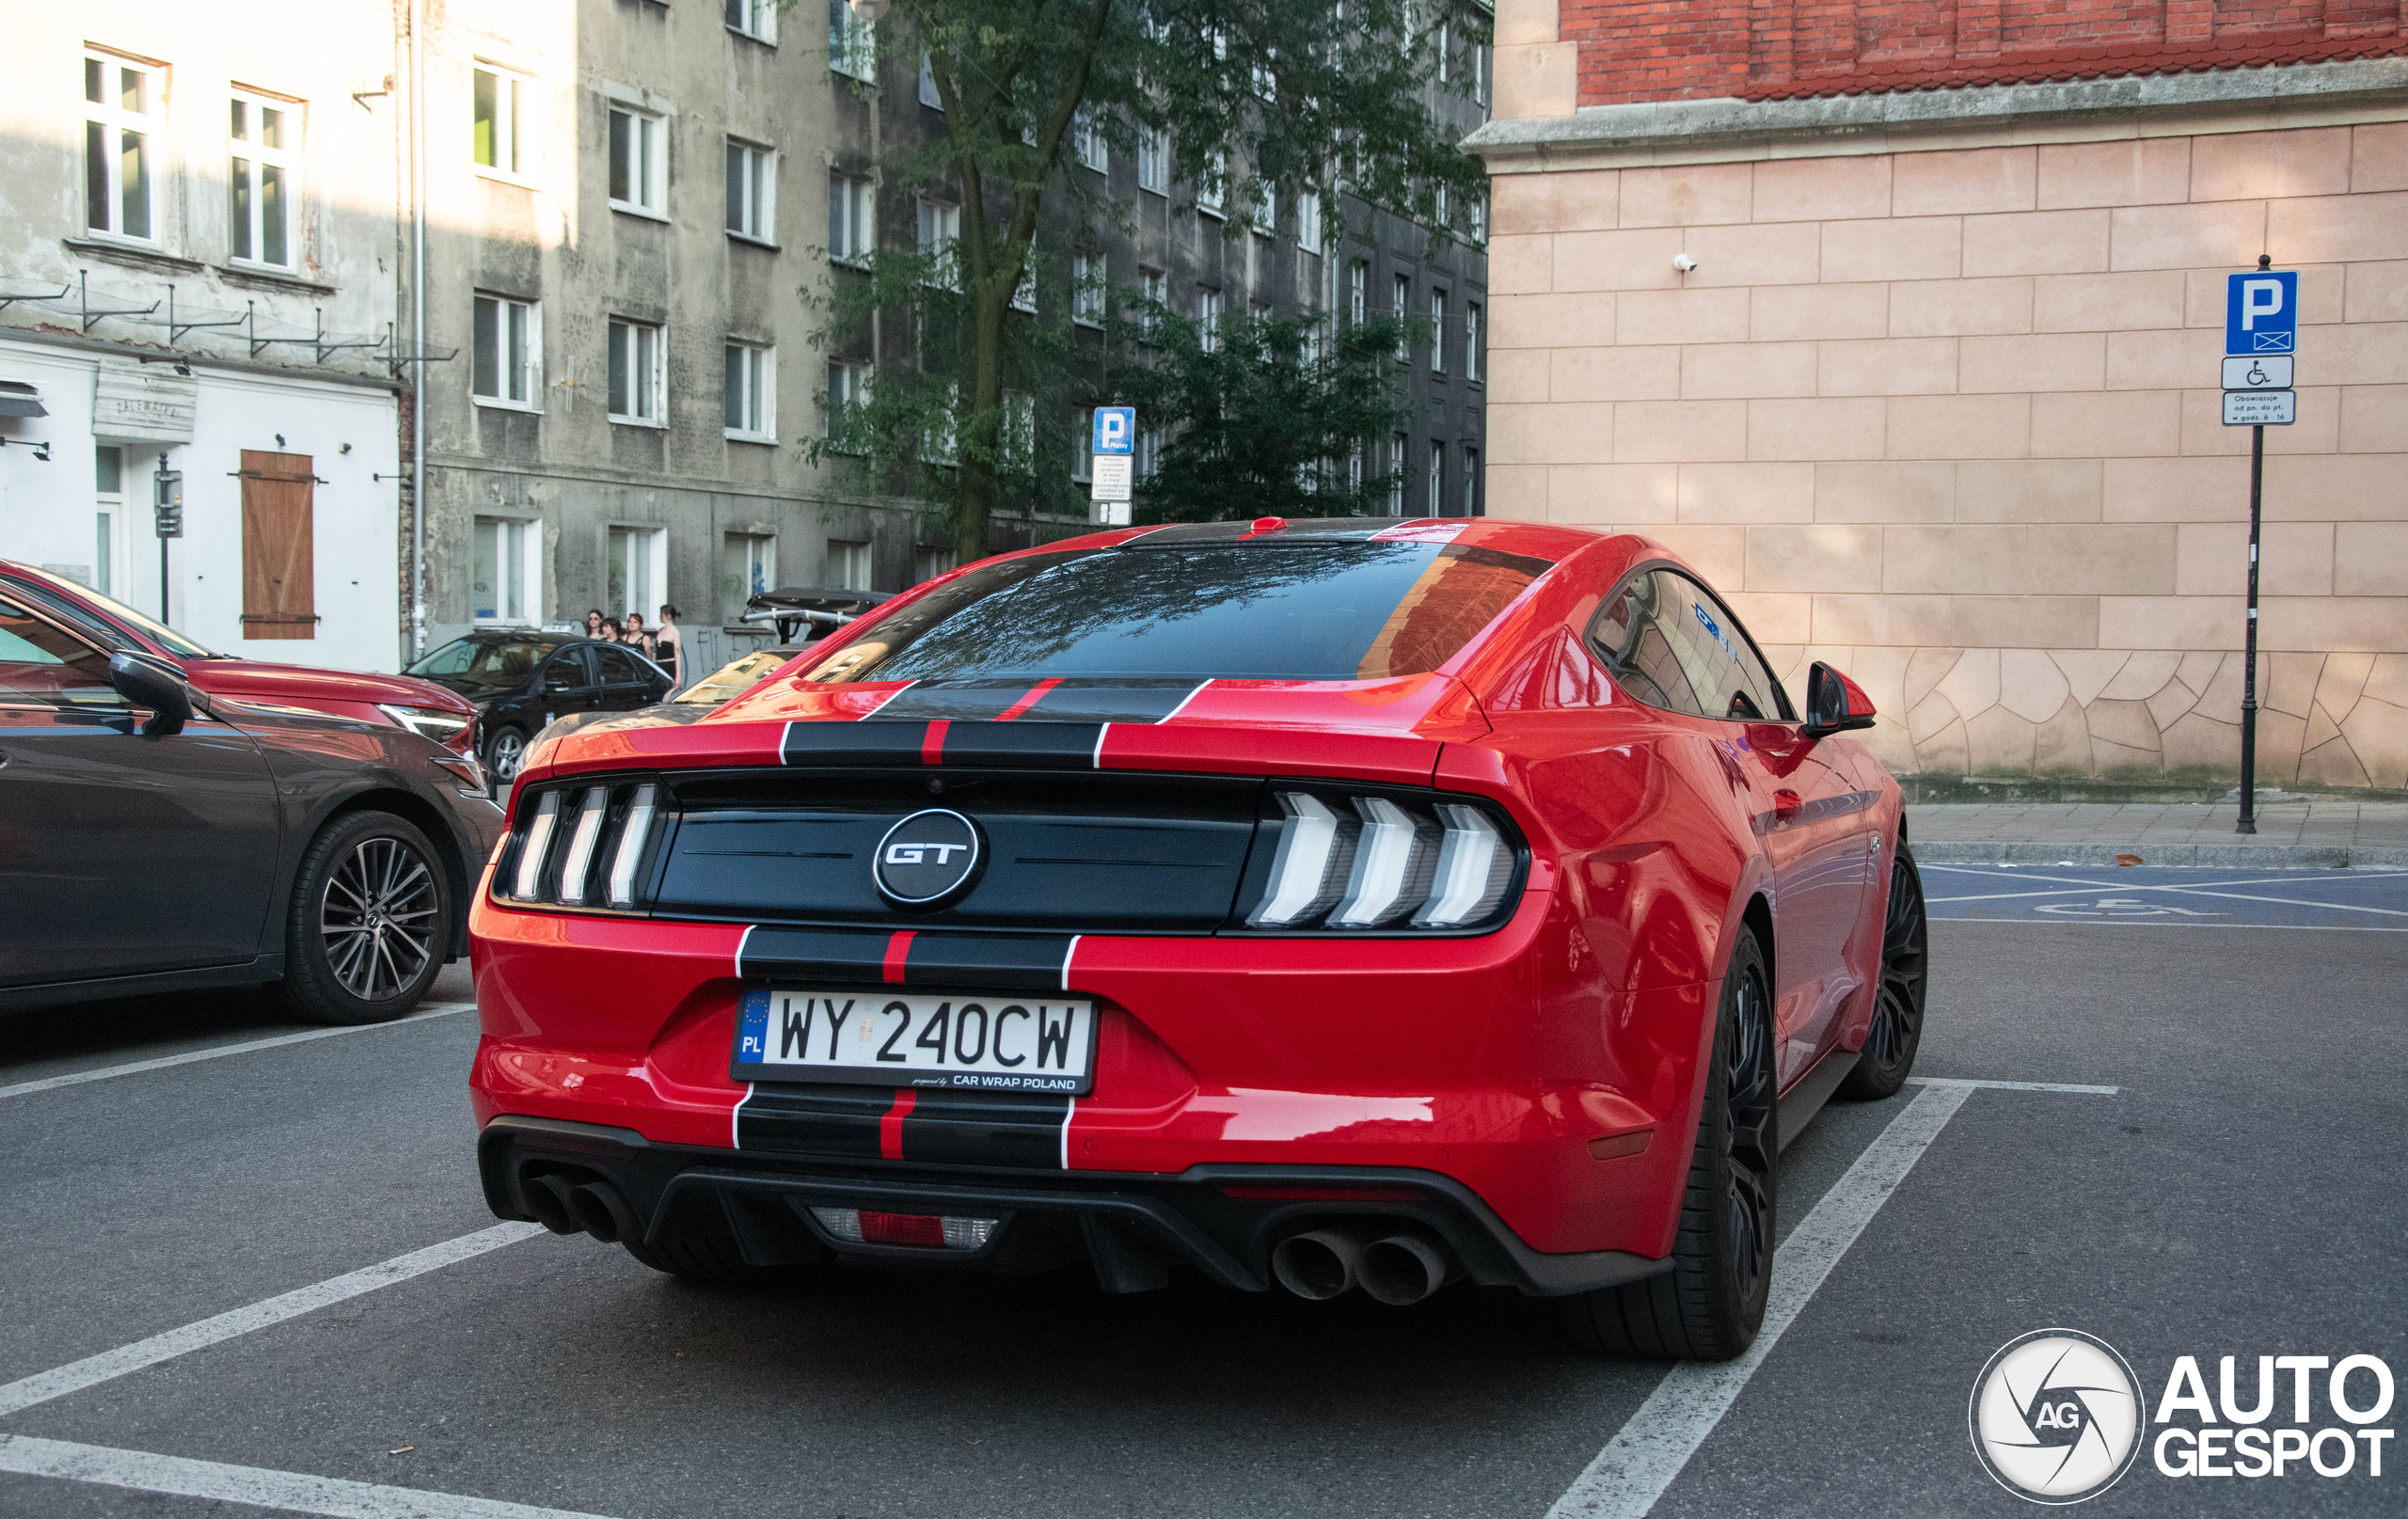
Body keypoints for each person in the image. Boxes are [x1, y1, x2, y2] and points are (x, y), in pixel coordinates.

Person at [653, 604, 685, 689]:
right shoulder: (661, 630)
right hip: (659, 665)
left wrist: (678, 676)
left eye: (661, 614)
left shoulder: (675, 632)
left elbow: (677, 654)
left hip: (669, 665)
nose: (660, 616)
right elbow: (660, 650)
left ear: (668, 616)